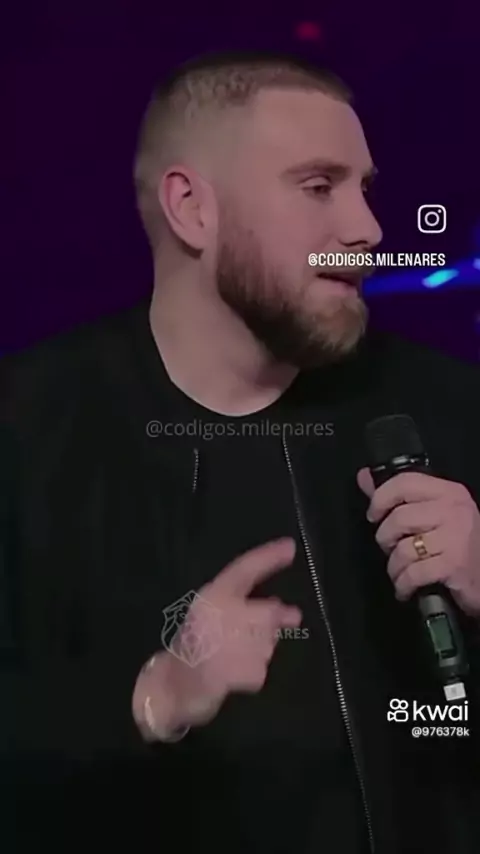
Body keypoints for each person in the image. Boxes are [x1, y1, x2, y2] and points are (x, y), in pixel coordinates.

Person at [1, 49, 480, 854]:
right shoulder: (26, 427)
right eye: (318, 186)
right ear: (192, 208)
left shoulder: (448, 407)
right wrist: (154, 698)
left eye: (365, 189)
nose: (367, 229)